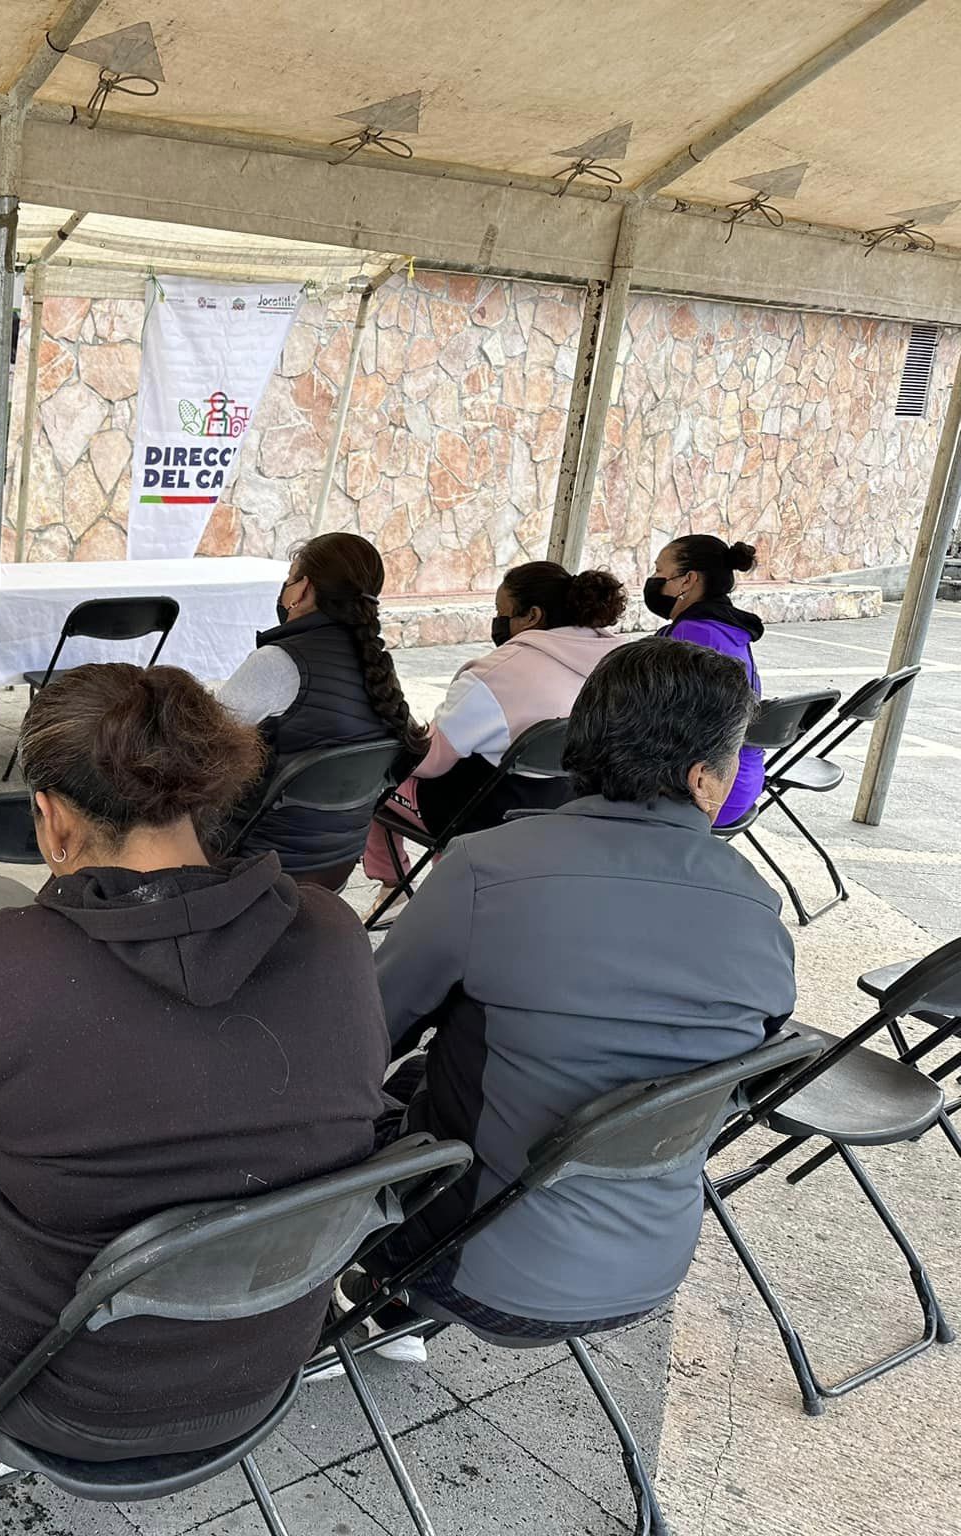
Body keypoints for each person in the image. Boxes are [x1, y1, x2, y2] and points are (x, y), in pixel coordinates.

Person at [0, 664, 388, 1507]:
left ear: (51, 820)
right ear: (202, 793)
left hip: (40, 1390)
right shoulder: (334, 935)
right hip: (263, 1362)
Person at [365, 638, 793, 1351]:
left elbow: (365, 1034)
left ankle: (360, 1304)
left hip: (473, 1265)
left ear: (576, 747)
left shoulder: (486, 869)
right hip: (649, 1272)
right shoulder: (757, 907)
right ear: (705, 780)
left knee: (378, 1089)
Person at [362, 561, 630, 906]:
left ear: (532, 615)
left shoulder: (497, 673)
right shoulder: (619, 664)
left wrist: (406, 731)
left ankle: (394, 888)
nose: (498, 622)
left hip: (478, 818)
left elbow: (428, 763)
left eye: (502, 612)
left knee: (371, 778)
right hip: (564, 812)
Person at [215, 532, 427, 889]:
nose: (284, 591)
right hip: (336, 863)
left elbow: (199, 748)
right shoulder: (377, 667)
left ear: (303, 589)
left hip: (253, 858)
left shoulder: (278, 661)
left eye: (289, 580)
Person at [648, 535, 765, 827]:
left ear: (687, 580)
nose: (653, 580)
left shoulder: (695, 636)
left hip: (707, 794)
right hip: (740, 782)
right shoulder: (727, 628)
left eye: (659, 571)